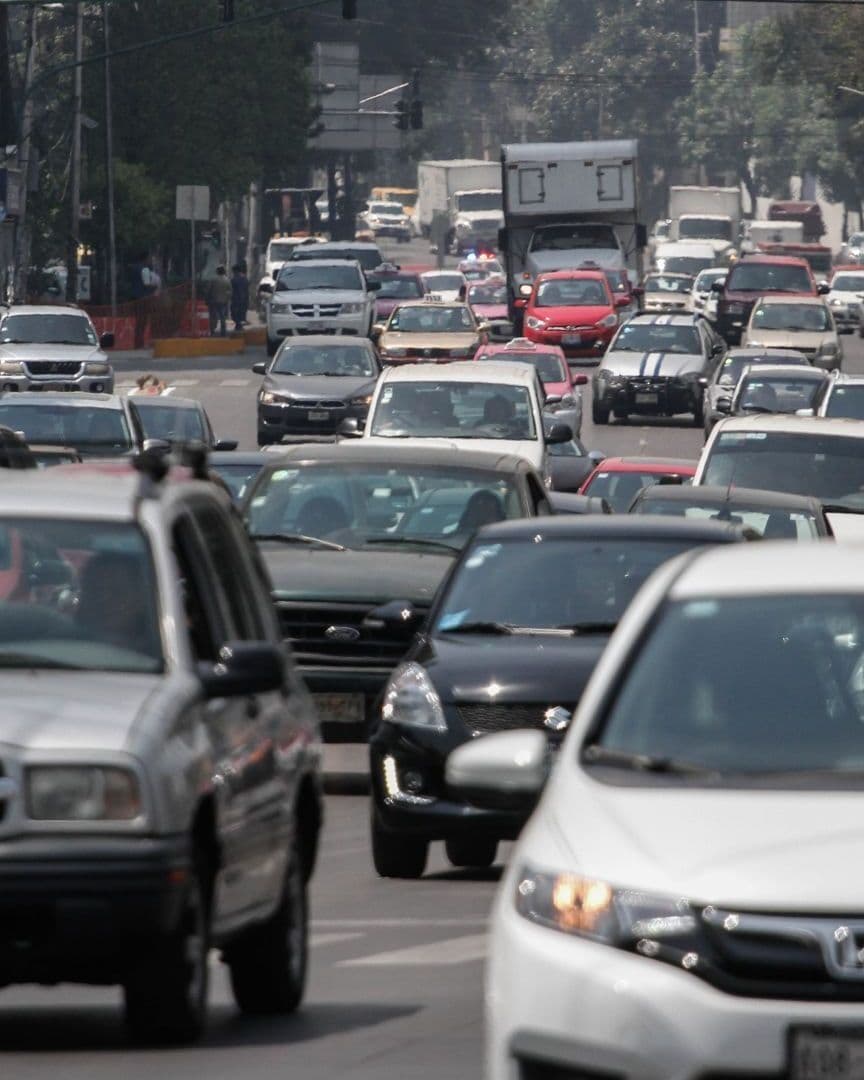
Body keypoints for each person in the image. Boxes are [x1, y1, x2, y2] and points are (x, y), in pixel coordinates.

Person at [208, 267, 231, 337]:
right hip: (223, 301)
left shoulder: (213, 280)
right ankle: (223, 332)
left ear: (217, 272)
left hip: (214, 301)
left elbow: (209, 290)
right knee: (222, 317)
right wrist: (227, 298)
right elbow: (230, 291)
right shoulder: (227, 280)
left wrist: (208, 298)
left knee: (213, 316)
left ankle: (212, 331)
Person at [230, 264, 249, 331]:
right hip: (243, 299)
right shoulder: (245, 279)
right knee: (240, 313)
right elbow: (246, 290)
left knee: (234, 313)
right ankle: (239, 325)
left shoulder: (234, 279)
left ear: (235, 271)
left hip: (236, 299)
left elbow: (231, 290)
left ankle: (238, 325)